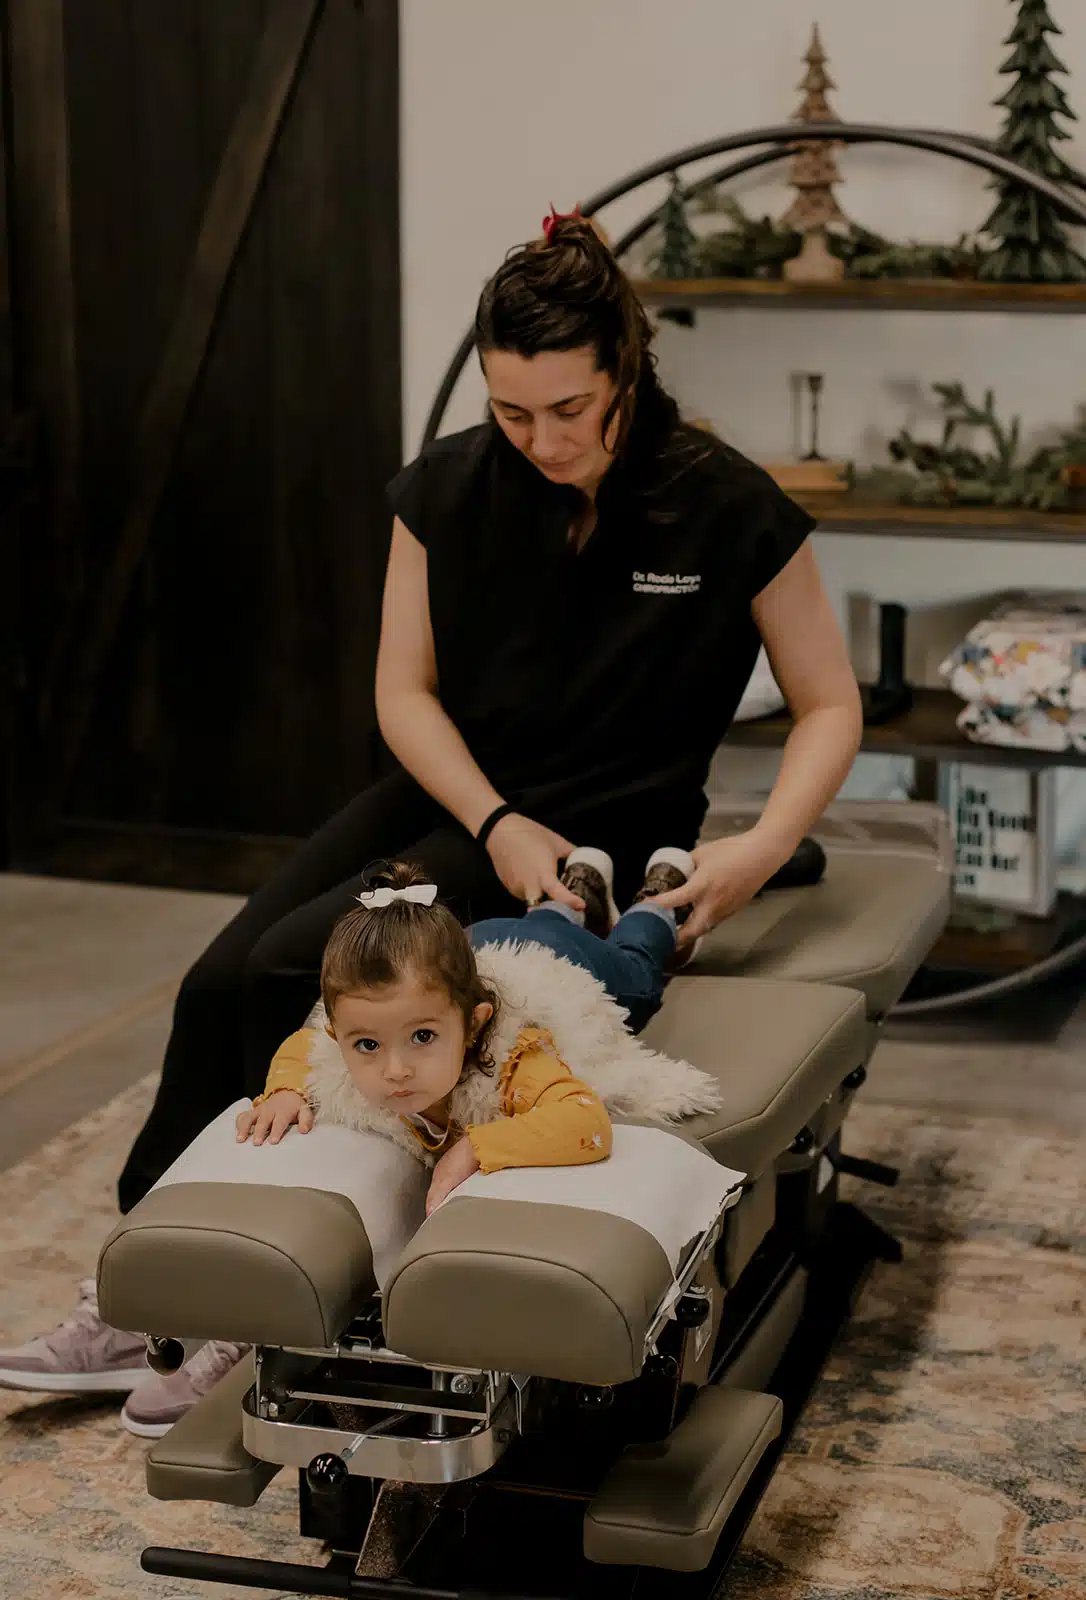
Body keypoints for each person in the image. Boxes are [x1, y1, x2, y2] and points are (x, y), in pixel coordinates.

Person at [0, 208, 861, 1424]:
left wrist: (763, 846)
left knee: (296, 969)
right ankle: (149, 1281)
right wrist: (493, 817)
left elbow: (830, 702)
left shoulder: (726, 505)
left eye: (570, 408)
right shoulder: (447, 490)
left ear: (627, 369)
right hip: (460, 795)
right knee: (221, 977)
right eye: (513, 412)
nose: (542, 439)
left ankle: (247, 1303)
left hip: (599, 834)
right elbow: (402, 692)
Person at [119, 848, 723, 1438]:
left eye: (424, 1038)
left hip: (566, 963)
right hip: (480, 946)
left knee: (635, 974)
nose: (396, 1071)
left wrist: (478, 1145)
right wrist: (283, 1091)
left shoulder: (514, 1060)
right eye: (367, 1046)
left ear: (474, 1024)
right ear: (338, 1034)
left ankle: (655, 901)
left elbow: (585, 1122)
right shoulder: (345, 1040)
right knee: (538, 923)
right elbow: (300, 1049)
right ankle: (575, 890)